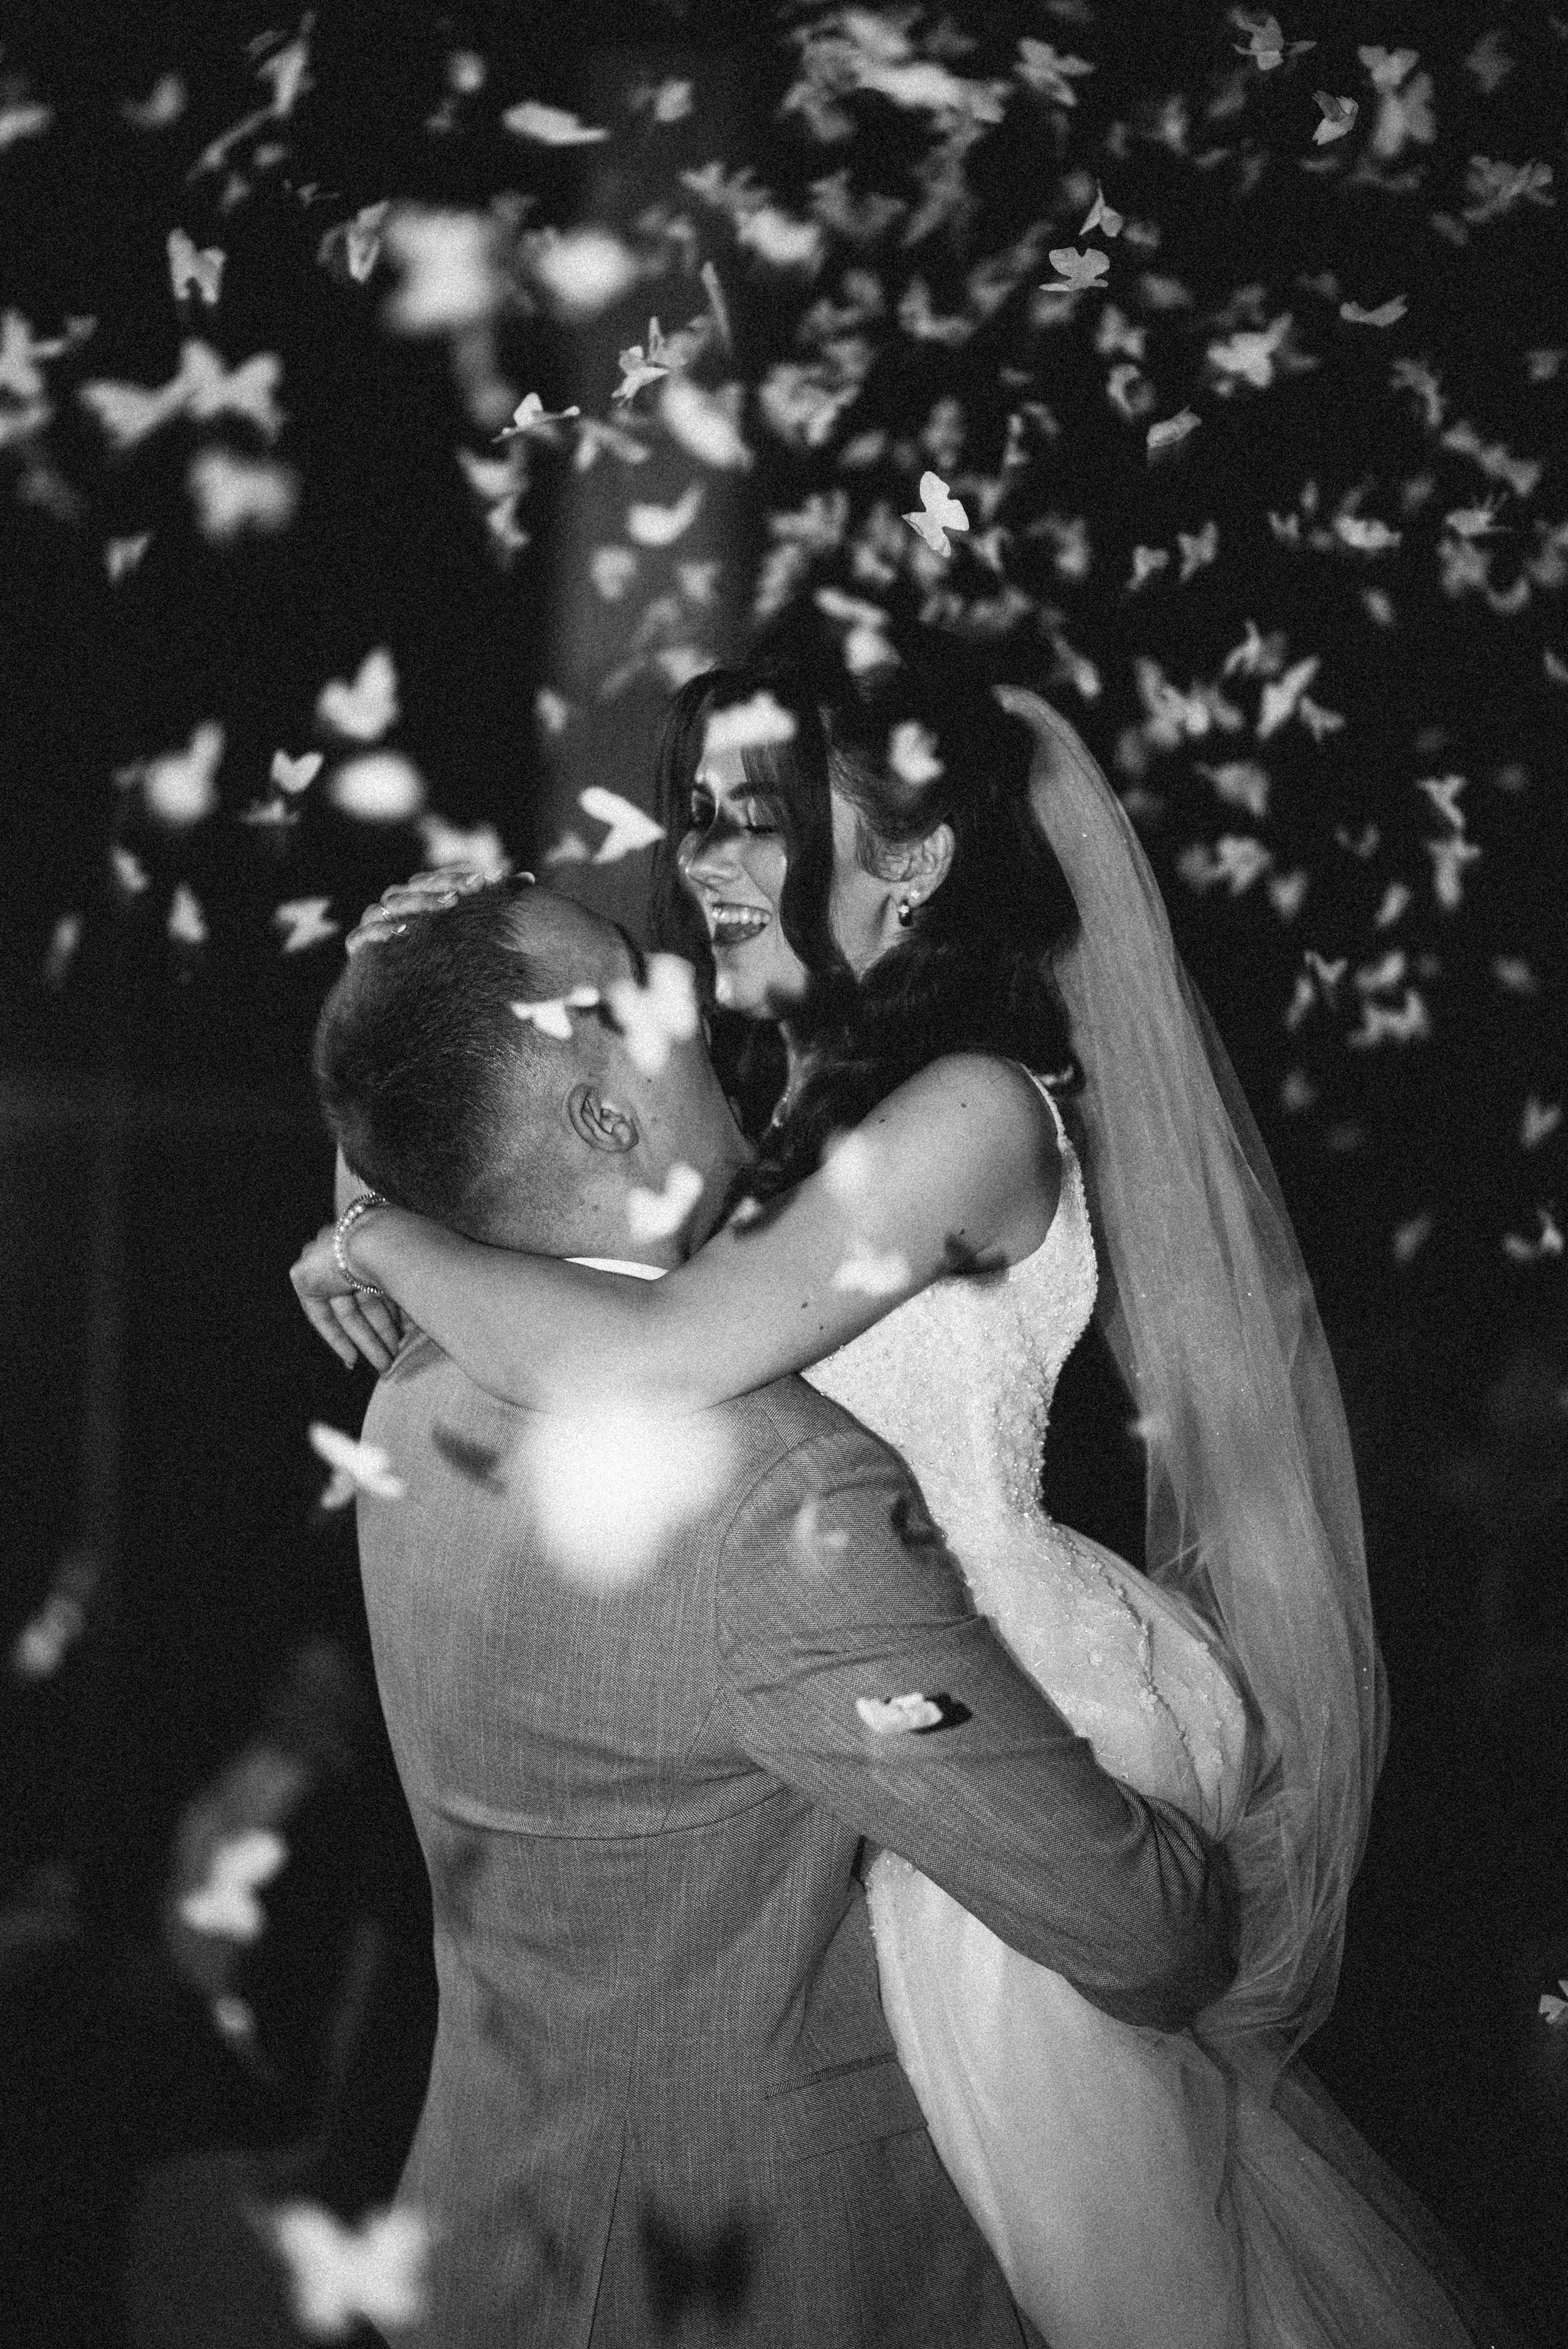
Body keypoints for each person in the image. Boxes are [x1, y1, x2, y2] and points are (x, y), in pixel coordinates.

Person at [293, 664, 1486, 2345]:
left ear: (912, 861)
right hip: (818, 1693)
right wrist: (389, 1064)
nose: (693, 862)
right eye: (690, 812)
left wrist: (389, 1242)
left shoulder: (970, 1109)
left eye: (746, 822)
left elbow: (659, 1337)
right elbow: (534, 1129)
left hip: (960, 1707)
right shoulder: (775, 1098)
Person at [306, 877, 1239, 2346]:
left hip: (486, 2233)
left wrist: (378, 1143)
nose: (687, 982)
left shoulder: (415, 1389)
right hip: (756, 2273)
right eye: (636, 982)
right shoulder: (777, 1495)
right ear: (606, 1121)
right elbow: (1144, 1938)